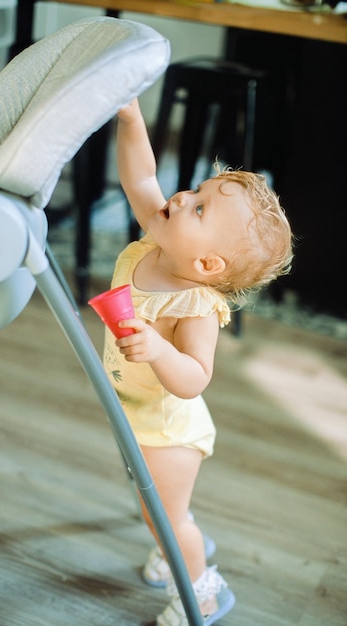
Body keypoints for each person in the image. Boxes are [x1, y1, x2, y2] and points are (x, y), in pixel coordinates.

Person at [103, 97, 293, 625]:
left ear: (208, 264)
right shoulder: (157, 242)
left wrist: (160, 349)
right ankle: (178, 546)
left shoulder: (196, 307)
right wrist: (131, 117)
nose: (184, 196)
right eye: (200, 191)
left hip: (169, 431)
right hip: (136, 413)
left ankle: (205, 594)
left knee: (165, 515)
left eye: (201, 208)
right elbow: (141, 178)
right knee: (157, 507)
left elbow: (195, 379)